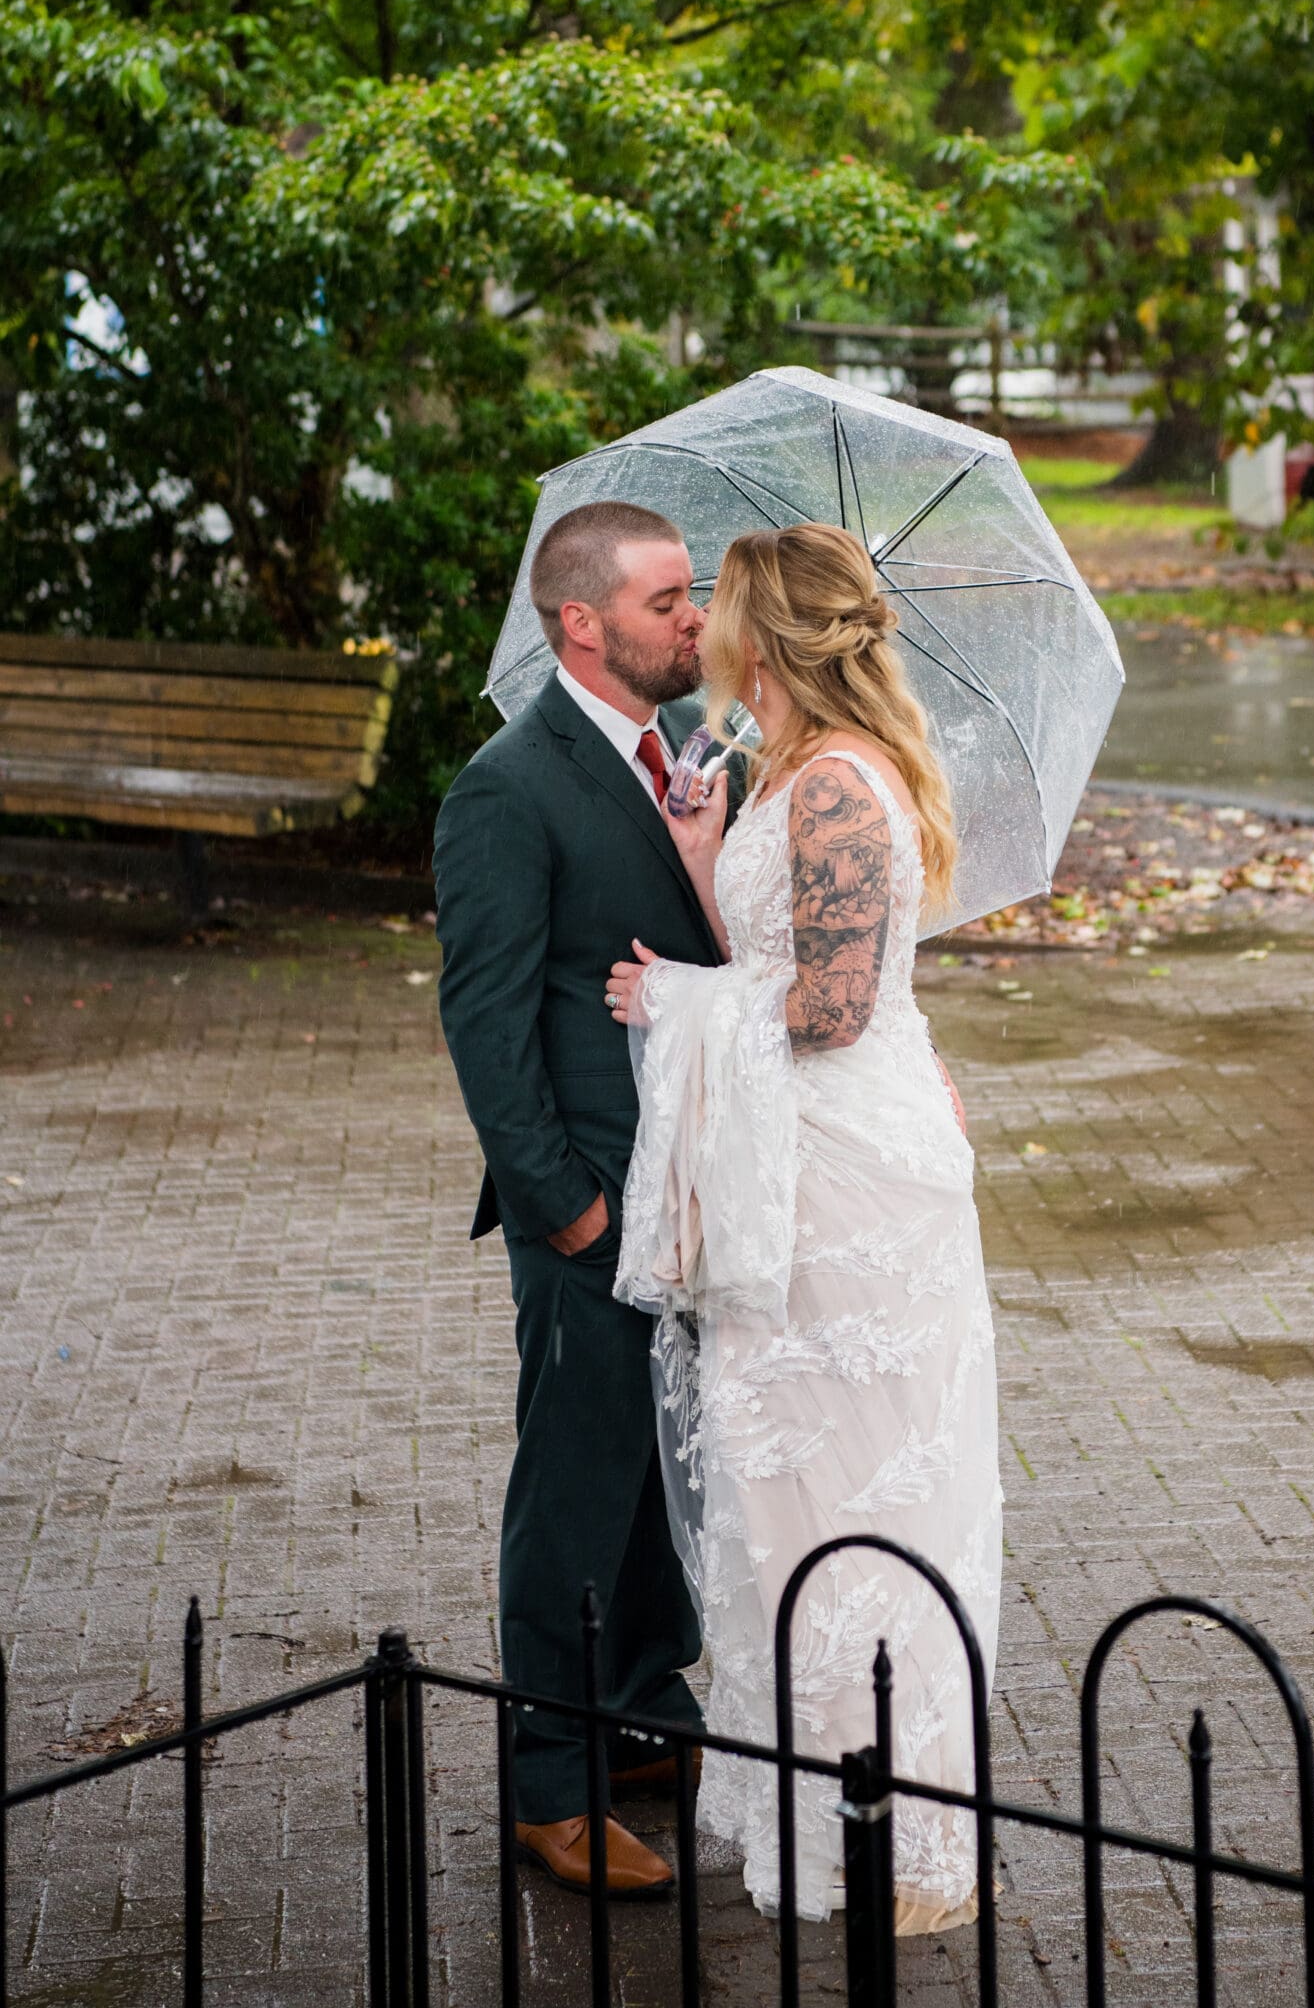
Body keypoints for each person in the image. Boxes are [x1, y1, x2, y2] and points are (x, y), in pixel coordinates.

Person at [606, 521, 1002, 1932]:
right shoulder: (790, 777)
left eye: (723, 616)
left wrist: (676, 1002)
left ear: (764, 643)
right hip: (807, 1169)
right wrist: (711, 860)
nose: (704, 632)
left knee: (864, 1500)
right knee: (793, 1509)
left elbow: (827, 1012)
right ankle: (836, 1807)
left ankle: (900, 1837)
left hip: (848, 1194)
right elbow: (790, 962)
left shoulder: (839, 787)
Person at [434, 499, 742, 1902]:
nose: (697, 619)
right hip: (595, 1211)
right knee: (571, 1484)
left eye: (691, 596)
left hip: (676, 1191)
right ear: (583, 623)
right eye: (670, 599)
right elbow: (486, 1023)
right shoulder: (509, 785)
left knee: (652, 1463)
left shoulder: (672, 753)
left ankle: (640, 1712)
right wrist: (566, 1211)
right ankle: (549, 1778)